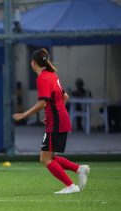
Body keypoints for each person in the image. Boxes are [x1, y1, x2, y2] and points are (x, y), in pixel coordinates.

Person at [13, 48, 90, 194]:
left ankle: (71, 186)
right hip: (59, 119)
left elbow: (42, 103)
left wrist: (24, 115)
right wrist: (51, 113)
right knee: (48, 157)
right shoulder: (52, 75)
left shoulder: (42, 78)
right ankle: (79, 169)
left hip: (56, 121)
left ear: (33, 63)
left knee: (45, 159)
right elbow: (64, 97)